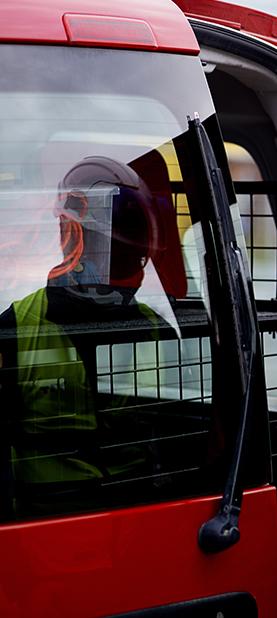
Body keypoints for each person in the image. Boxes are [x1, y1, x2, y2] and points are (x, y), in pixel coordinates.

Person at [0, 156, 172, 519]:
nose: (112, 259)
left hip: (141, 524)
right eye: (101, 243)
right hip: (44, 530)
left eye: (123, 249)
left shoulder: (158, 330)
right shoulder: (14, 329)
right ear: (69, 238)